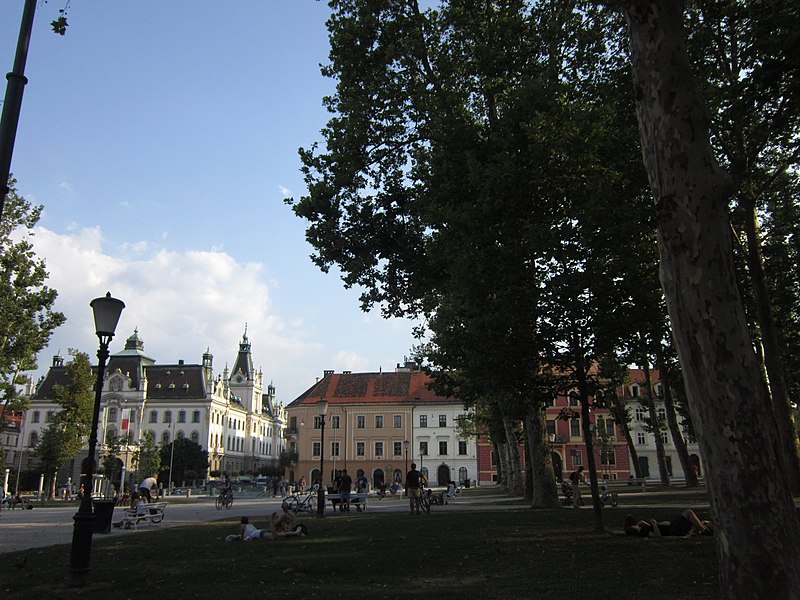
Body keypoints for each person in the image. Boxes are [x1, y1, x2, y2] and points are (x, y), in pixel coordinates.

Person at [624, 509, 713, 537]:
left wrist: (642, 523)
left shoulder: (642, 528)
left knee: (700, 522)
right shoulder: (643, 532)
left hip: (671, 526)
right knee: (688, 513)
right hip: (672, 529)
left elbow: (642, 523)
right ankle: (704, 530)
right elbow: (657, 535)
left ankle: (705, 528)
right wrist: (654, 524)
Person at [226, 514, 308, 542]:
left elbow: (242, 535)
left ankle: (271, 521)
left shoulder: (242, 526)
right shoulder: (249, 525)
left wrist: (240, 537)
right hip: (260, 531)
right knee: (280, 534)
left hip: (259, 534)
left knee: (274, 536)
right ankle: (295, 533)